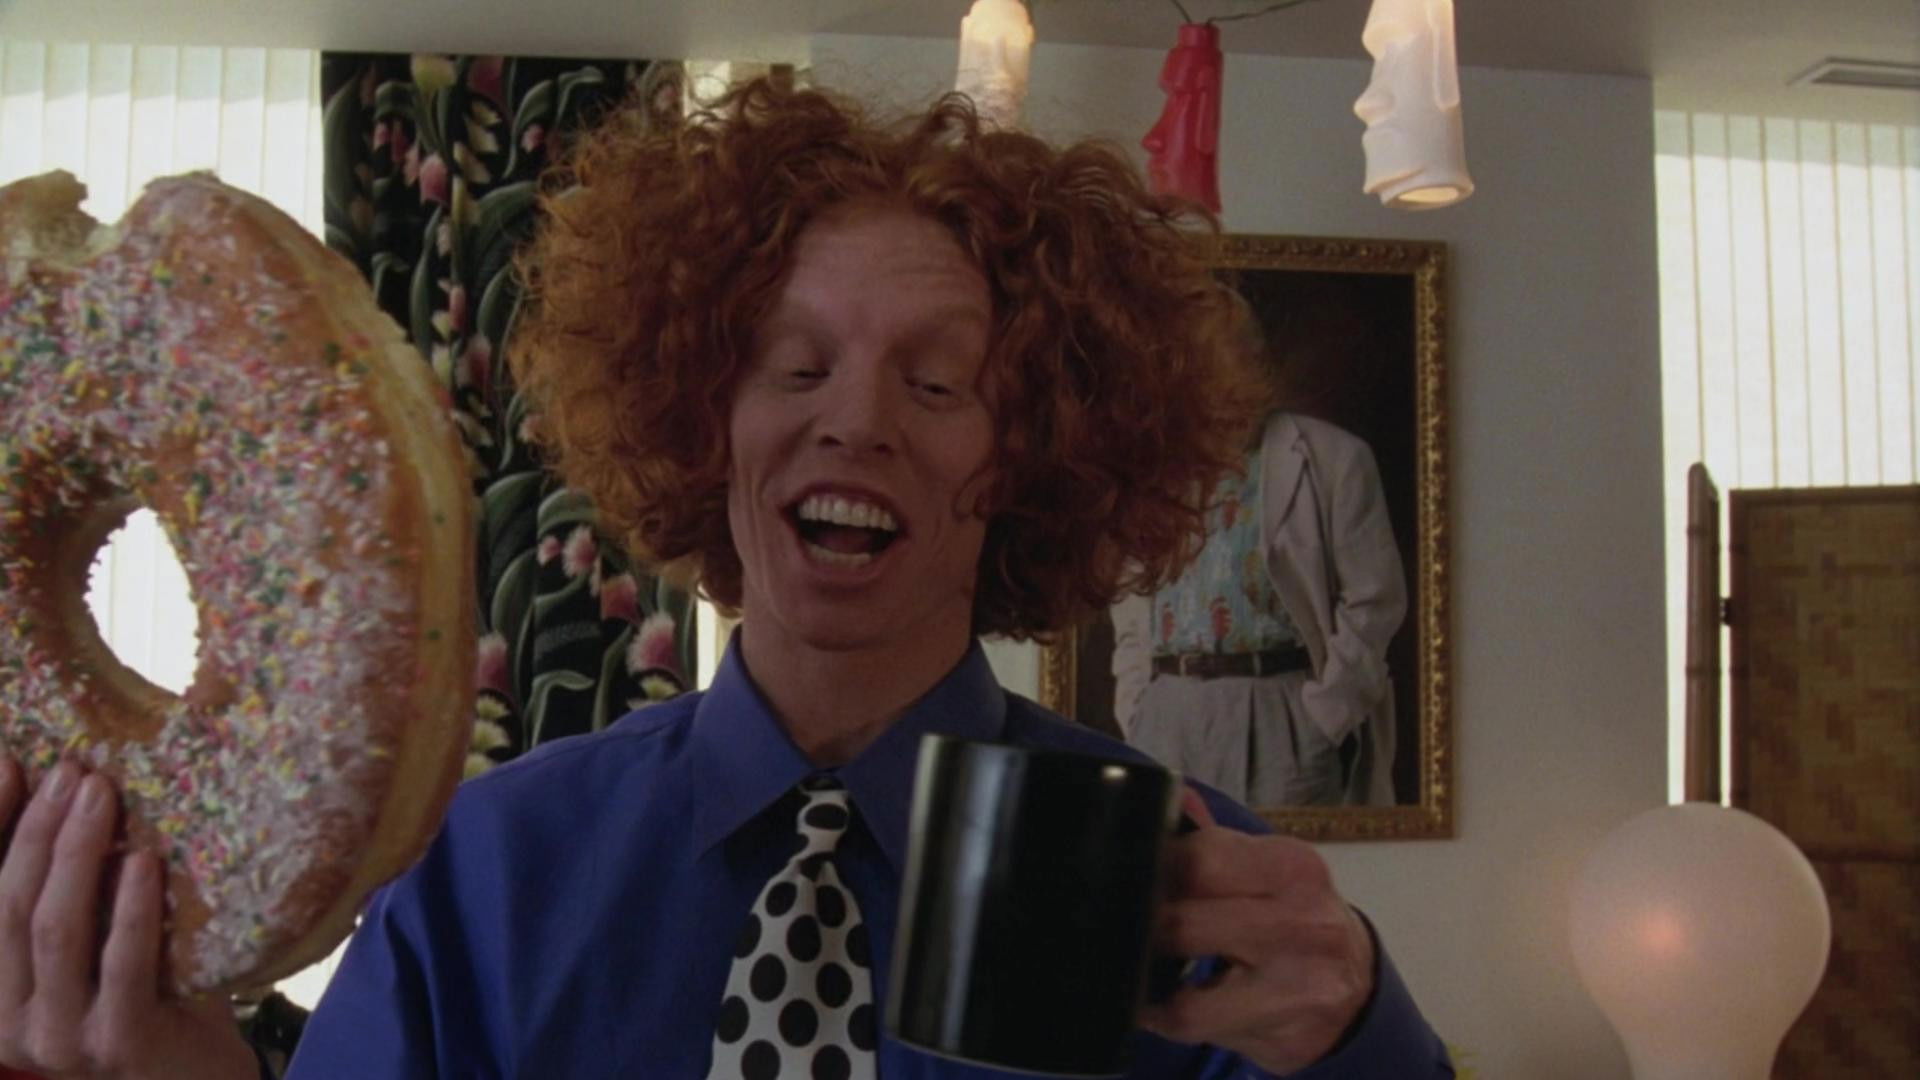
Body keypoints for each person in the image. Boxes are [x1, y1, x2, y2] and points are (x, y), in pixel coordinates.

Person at [0, 80, 1452, 1078]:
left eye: (937, 383)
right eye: (792, 365)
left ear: (1029, 458)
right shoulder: (482, 870)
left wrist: (1356, 1034)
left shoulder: (1179, 881)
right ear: (705, 417)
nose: (856, 421)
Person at [1113, 408, 1408, 808]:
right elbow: (1128, 604)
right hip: (1164, 718)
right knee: (1165, 850)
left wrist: (1325, 718)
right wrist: (1137, 712)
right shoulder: (1148, 469)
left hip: (1280, 719)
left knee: (1282, 851)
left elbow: (1375, 601)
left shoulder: (1336, 456)